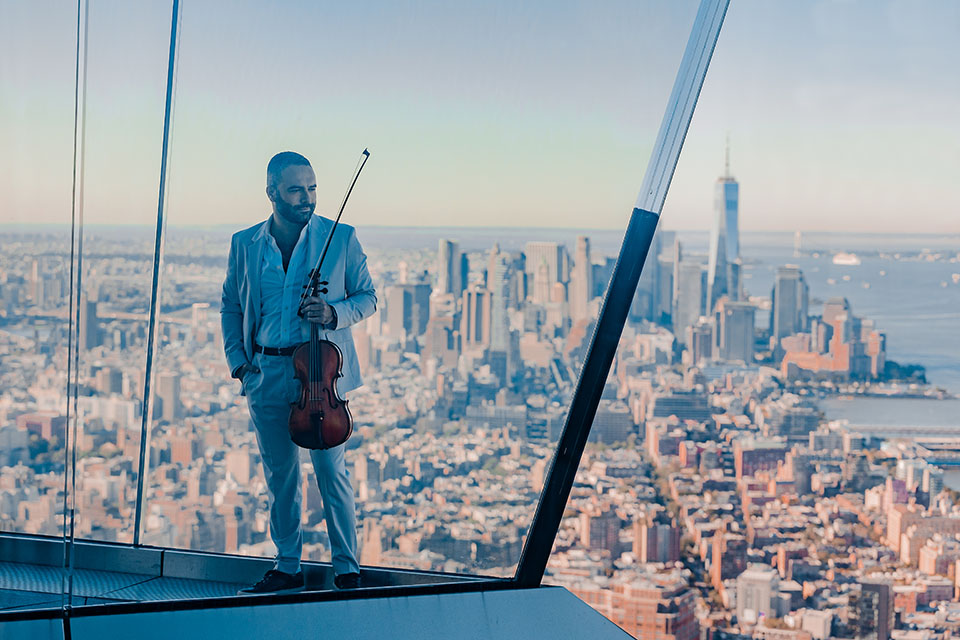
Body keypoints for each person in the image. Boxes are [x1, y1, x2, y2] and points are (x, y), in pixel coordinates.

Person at [220, 151, 377, 594]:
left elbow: (368, 298)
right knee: (280, 476)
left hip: (320, 374)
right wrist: (239, 364)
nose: (306, 197)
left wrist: (331, 312)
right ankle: (287, 567)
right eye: (295, 189)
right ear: (271, 192)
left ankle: (347, 569)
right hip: (266, 372)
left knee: (332, 473)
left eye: (311, 187)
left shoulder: (340, 238)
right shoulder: (244, 243)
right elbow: (231, 305)